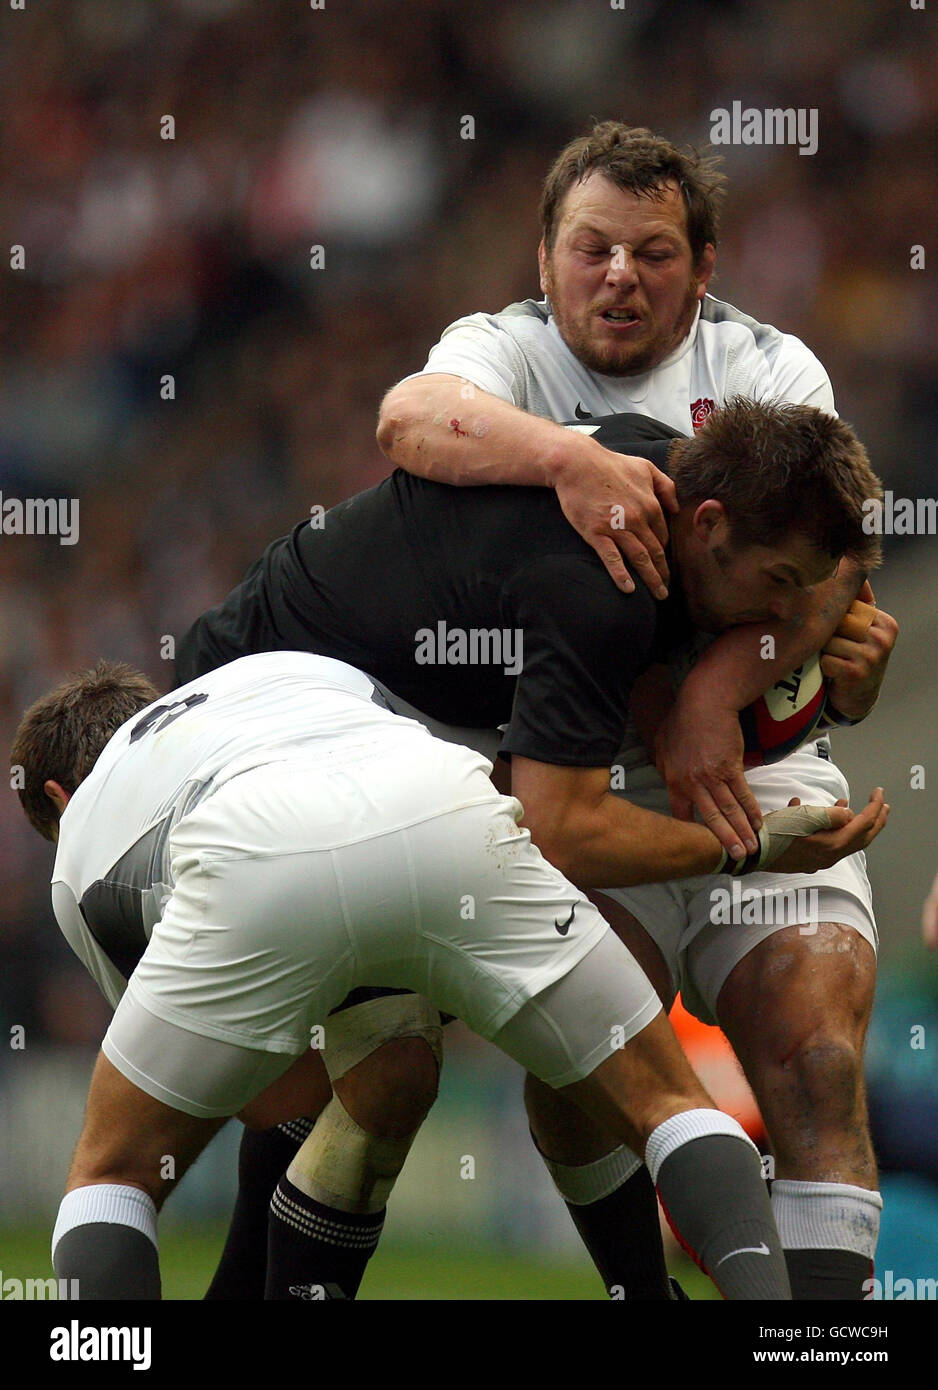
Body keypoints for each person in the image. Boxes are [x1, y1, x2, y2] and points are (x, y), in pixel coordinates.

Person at [170, 398, 888, 1301]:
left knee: (381, 1070)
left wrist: (704, 697)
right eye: (777, 581)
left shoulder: (652, 467)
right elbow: (560, 829)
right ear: (709, 526)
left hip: (312, 722)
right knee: (385, 1068)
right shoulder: (605, 580)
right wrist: (744, 852)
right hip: (248, 742)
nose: (784, 615)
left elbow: (837, 568)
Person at [373, 121, 900, 1300]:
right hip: (580, 780)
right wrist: (568, 459)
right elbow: (407, 421)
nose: (619, 275)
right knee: (580, 1078)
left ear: (703, 266)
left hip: (761, 772)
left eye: (653, 253)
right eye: (591, 248)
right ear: (546, 256)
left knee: (815, 1057)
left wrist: (712, 689)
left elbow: (830, 572)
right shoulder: (496, 351)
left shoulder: (770, 370)